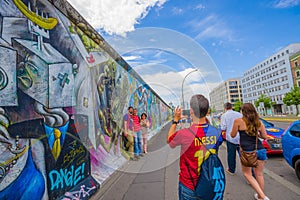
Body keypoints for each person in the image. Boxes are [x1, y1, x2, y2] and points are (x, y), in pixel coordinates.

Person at [167, 94, 223, 199]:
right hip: (210, 182)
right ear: (207, 112)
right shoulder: (217, 132)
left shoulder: (184, 134)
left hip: (189, 184)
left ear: (191, 111)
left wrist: (175, 120)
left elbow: (169, 140)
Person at [230, 103, 269, 200]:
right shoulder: (259, 122)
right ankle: (260, 196)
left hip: (247, 152)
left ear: (243, 111)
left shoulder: (238, 121)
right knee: (259, 174)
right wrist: (256, 134)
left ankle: (263, 197)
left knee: (247, 174)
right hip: (260, 149)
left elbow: (232, 135)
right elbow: (265, 136)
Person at [220, 102, 242, 175]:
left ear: (225, 108)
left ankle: (231, 170)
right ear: (232, 107)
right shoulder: (239, 114)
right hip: (241, 137)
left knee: (231, 155)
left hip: (231, 137)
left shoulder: (224, 116)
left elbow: (223, 127)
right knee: (243, 155)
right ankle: (248, 172)